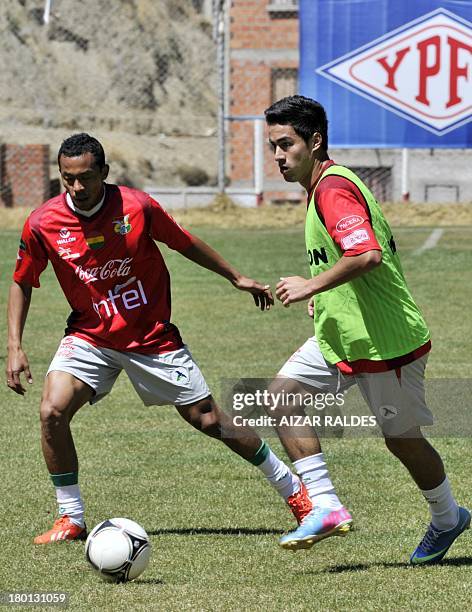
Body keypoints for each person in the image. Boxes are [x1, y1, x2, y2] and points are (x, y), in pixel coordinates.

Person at [6, 132, 313, 544]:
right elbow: (22, 281)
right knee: (51, 411)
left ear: (104, 173)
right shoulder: (43, 222)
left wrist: (235, 277)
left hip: (150, 337)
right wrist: (15, 346)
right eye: (67, 179)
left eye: (85, 178)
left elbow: (184, 242)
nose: (76, 188)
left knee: (208, 419)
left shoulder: (136, 207)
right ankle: (71, 516)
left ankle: (294, 490)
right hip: (90, 335)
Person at [264, 95, 470, 564]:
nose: (278, 156)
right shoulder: (322, 188)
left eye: (285, 144)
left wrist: (308, 284)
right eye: (273, 146)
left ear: (315, 142)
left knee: (402, 440)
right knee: (280, 396)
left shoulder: (333, 190)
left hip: (385, 341)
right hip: (344, 335)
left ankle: (447, 518)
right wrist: (325, 295)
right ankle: (326, 505)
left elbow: (366, 254)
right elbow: (348, 258)